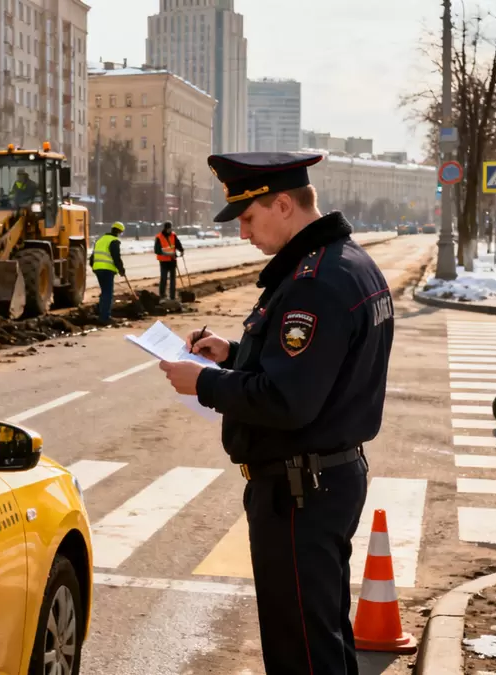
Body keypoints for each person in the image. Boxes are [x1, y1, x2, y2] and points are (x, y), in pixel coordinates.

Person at [158, 152, 395, 674]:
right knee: (323, 638)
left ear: (283, 204)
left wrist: (205, 383)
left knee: (300, 653)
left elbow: (288, 401)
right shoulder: (347, 262)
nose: (243, 233)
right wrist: (235, 355)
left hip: (298, 494)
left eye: (247, 218)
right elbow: (315, 370)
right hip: (323, 480)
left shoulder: (312, 284)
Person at [90, 222, 126, 324]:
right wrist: (121, 269)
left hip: (98, 269)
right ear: (119, 232)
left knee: (104, 292)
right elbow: (116, 257)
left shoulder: (100, 240)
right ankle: (105, 317)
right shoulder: (114, 241)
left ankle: (102, 313)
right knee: (108, 293)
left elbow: (92, 257)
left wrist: (95, 267)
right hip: (107, 270)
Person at [154, 221, 185, 300]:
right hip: (164, 261)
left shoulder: (173, 235)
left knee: (173, 280)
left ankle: (172, 296)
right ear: (165, 228)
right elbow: (157, 250)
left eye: (171, 228)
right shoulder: (159, 237)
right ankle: (162, 295)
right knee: (163, 278)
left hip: (172, 260)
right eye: (168, 228)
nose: (170, 230)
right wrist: (168, 253)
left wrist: (181, 250)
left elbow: (177, 244)